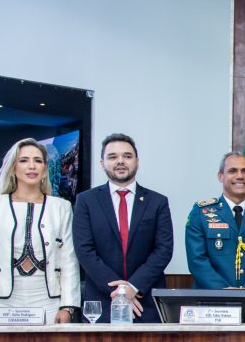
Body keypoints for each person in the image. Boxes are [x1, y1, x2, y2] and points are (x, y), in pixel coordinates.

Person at [0, 138, 80, 323]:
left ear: (45, 168)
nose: (32, 166)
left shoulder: (61, 207)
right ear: (13, 167)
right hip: (2, 304)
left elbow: (69, 260)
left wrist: (67, 307)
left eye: (38, 161)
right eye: (24, 160)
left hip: (49, 302)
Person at [72, 133, 173, 322]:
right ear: (102, 163)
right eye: (112, 157)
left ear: (137, 161)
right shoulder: (86, 201)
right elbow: (84, 250)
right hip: (102, 302)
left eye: (127, 156)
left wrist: (133, 287)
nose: (120, 161)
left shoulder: (157, 202)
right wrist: (119, 291)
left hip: (145, 302)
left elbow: (164, 250)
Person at [185, 152, 245, 289]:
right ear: (220, 176)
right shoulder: (201, 213)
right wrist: (223, 289)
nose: (240, 176)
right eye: (232, 171)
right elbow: (196, 260)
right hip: (211, 299)